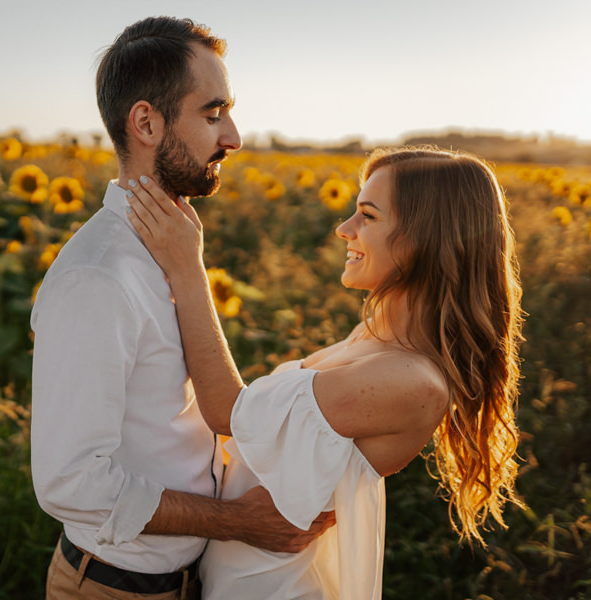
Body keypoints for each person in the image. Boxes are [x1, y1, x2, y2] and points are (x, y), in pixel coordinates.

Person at [124, 146, 524, 599]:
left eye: (368, 216)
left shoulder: (414, 382)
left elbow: (228, 412)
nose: (344, 229)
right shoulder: (372, 336)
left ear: (425, 238)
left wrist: (187, 268)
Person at [30, 16, 334, 600]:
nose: (235, 137)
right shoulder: (98, 277)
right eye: (213, 113)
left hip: (185, 579)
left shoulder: (172, 246)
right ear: (146, 122)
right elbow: (71, 483)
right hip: (116, 588)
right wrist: (242, 522)